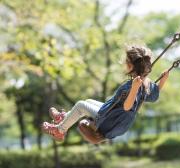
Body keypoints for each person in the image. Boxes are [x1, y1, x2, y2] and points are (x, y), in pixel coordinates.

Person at [41, 45, 169, 142]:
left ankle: (60, 130)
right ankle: (65, 118)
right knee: (89, 101)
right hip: (115, 118)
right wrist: (162, 81)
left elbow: (127, 106)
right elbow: (154, 95)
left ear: (131, 66)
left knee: (80, 105)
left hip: (109, 121)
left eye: (126, 61)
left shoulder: (132, 86)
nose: (124, 63)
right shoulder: (146, 83)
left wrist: (135, 88)